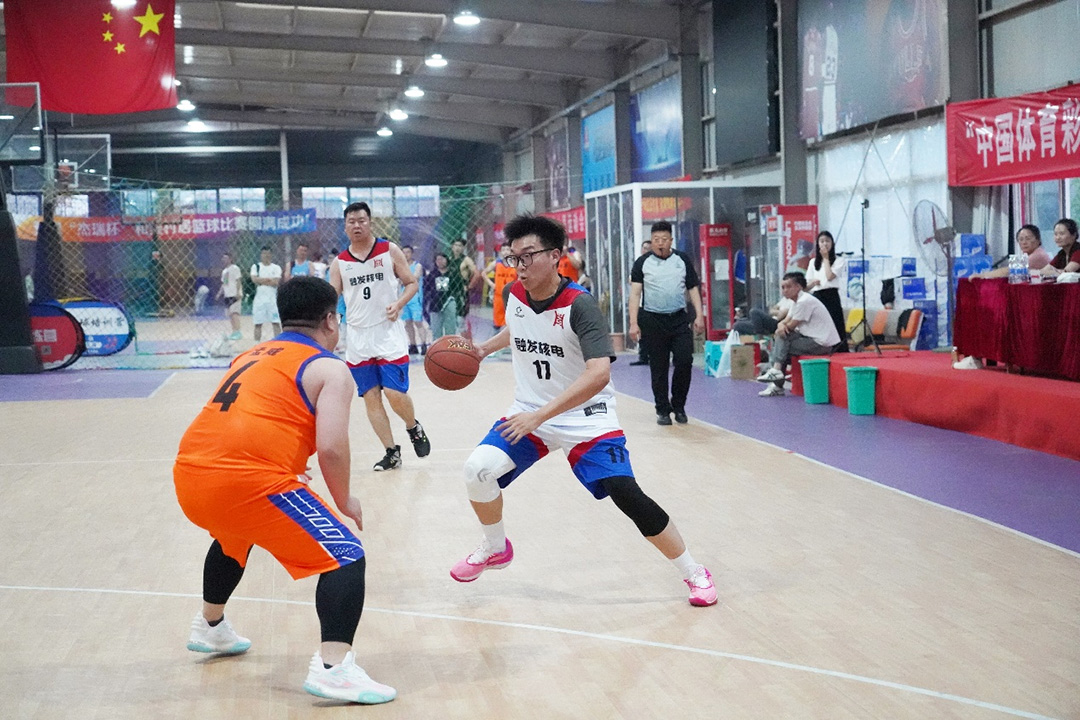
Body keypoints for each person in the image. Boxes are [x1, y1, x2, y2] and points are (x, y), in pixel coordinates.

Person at [450, 214, 717, 608]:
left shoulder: (581, 305)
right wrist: (485, 349)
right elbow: (521, 327)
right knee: (477, 470)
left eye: (528, 256)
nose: (520, 266)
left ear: (555, 256)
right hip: (531, 411)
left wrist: (540, 416)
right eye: (514, 258)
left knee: (626, 494)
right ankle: (496, 548)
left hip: (586, 416)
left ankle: (694, 571)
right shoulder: (515, 295)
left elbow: (598, 374)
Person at [173, 276, 396, 705]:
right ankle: (334, 668)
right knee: (345, 554)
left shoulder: (250, 355)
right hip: (247, 481)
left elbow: (249, 416)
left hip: (190, 475)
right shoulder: (330, 368)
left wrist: (281, 461)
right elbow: (331, 447)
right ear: (330, 321)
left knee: (235, 535)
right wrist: (344, 499)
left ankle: (210, 626)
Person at [329, 202, 430, 471]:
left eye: (361, 220)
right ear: (345, 226)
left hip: (388, 333)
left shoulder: (389, 250)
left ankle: (413, 426)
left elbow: (411, 283)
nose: (357, 225)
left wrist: (399, 304)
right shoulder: (340, 263)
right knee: (371, 397)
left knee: (395, 393)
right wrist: (330, 322)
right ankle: (391, 452)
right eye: (351, 221)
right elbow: (331, 298)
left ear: (370, 222)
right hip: (358, 338)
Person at [628, 221, 705, 426]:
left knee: (684, 361)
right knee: (659, 367)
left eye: (664, 239)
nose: (660, 243)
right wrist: (633, 323)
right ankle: (662, 409)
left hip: (678, 318)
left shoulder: (682, 260)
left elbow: (693, 288)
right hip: (652, 320)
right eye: (656, 240)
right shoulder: (642, 263)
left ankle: (679, 405)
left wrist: (699, 315)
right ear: (651, 241)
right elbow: (635, 294)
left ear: (671, 240)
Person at [756, 272, 841, 397]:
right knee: (781, 341)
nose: (785, 290)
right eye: (783, 287)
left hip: (821, 344)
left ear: (798, 287)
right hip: (808, 338)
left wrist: (781, 328)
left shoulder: (804, 301)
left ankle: (776, 378)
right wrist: (780, 326)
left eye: (788, 287)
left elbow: (790, 326)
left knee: (782, 343)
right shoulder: (795, 302)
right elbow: (784, 322)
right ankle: (775, 373)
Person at [804, 231, 848, 351]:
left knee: (836, 322)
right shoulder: (813, 262)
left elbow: (829, 276)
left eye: (827, 241)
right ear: (817, 244)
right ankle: (822, 348)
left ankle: (840, 350)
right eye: (822, 241)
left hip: (831, 294)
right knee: (820, 324)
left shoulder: (839, 260)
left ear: (832, 243)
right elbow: (806, 287)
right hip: (817, 295)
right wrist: (812, 283)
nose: (824, 244)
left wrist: (826, 258)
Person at [974, 225, 1051, 280]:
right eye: (1021, 239)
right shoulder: (1031, 254)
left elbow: (1010, 271)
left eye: (1028, 238)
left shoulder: (1038, 255)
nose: (1024, 242)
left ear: (1038, 240)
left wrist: (983, 276)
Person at [483, 241, 517, 332]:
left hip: (512, 296)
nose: (505, 252)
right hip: (499, 295)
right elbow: (484, 273)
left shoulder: (515, 264)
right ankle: (496, 338)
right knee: (497, 322)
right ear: (500, 252)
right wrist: (492, 284)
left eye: (507, 249)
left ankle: (510, 339)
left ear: (511, 251)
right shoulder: (496, 263)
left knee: (511, 321)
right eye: (503, 250)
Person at [400, 245, 428, 355]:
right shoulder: (400, 266)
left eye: (408, 252)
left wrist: (403, 279)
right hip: (404, 297)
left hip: (415, 297)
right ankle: (413, 344)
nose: (406, 254)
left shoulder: (417, 266)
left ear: (412, 253)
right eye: (403, 252)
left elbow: (413, 278)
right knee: (407, 322)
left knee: (418, 322)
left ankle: (424, 344)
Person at [250, 246, 282, 342]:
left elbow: (276, 282)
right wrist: (268, 280)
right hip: (259, 299)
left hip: (272, 299)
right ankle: (257, 343)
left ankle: (278, 342)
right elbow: (254, 279)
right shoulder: (256, 266)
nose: (266, 255)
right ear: (261, 254)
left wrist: (261, 280)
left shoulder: (276, 267)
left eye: (268, 253)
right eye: (264, 253)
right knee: (258, 323)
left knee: (276, 322)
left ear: (271, 255)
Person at [447, 238, 478, 335]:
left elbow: (477, 274)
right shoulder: (449, 259)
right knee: (450, 318)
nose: (457, 248)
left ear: (463, 248)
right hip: (449, 291)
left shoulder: (466, 260)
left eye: (460, 246)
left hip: (461, 291)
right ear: (452, 247)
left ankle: (464, 340)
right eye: (455, 245)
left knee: (460, 319)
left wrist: (469, 286)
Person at [629, 240, 652, 366]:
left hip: (653, 305)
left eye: (648, 248)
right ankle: (643, 356)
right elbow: (631, 281)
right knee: (642, 331)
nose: (645, 250)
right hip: (641, 304)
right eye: (644, 248)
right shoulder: (639, 264)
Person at [424, 253, 457, 340]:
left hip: (449, 302)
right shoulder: (432, 274)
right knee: (436, 330)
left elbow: (459, 288)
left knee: (450, 329)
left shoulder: (453, 273)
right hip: (435, 304)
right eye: (438, 259)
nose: (440, 261)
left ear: (447, 260)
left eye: (442, 259)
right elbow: (426, 289)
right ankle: (437, 347)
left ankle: (450, 346)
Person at [216, 252, 243, 341]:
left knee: (235, 314)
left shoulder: (235, 268)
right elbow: (224, 283)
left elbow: (238, 280)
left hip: (234, 294)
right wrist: (219, 293)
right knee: (230, 314)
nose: (224, 260)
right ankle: (234, 331)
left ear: (230, 259)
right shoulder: (224, 271)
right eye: (223, 258)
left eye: (226, 258)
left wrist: (238, 292)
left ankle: (238, 332)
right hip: (227, 295)